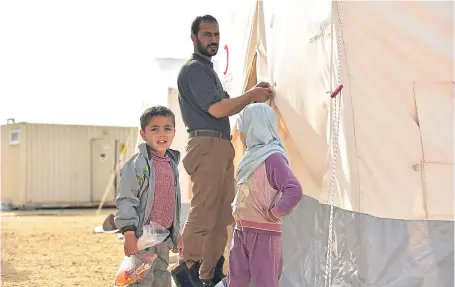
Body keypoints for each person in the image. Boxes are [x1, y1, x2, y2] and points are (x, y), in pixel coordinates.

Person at [174, 14, 274, 287]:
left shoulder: (207, 70)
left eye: (216, 35)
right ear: (194, 38)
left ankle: (208, 274)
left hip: (219, 145)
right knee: (205, 211)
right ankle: (187, 272)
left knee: (221, 216)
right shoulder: (194, 69)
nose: (213, 40)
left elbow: (224, 106)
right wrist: (251, 95)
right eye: (207, 35)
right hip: (206, 145)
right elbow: (217, 109)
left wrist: (247, 97)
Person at [227, 103, 303, 287]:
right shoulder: (250, 157)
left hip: (264, 232)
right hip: (242, 229)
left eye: (243, 128)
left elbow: (294, 188)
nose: (242, 134)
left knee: (265, 282)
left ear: (255, 127)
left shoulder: (272, 158)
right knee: (236, 280)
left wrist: (276, 212)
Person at [114, 106, 184, 287]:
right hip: (142, 238)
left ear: (174, 132)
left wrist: (177, 234)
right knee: (141, 280)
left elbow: (173, 201)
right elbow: (126, 199)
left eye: (167, 128)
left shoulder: (172, 163)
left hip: (163, 237)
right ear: (143, 134)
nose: (162, 134)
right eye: (155, 129)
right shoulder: (137, 164)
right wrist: (129, 233)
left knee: (161, 278)